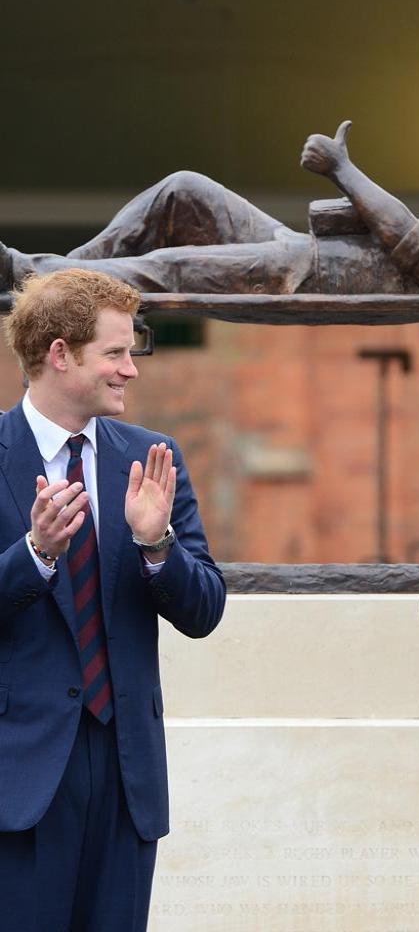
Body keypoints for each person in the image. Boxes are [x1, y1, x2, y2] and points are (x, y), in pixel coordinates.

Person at [0, 268, 226, 931]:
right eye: (116, 353)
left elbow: (205, 608)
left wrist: (157, 547)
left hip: (128, 780)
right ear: (60, 355)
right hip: (20, 778)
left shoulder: (153, 457)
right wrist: (36, 553)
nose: (131, 369)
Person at [0, 123, 419, 297]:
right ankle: (54, 277)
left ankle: (36, 277)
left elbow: (401, 232)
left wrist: (343, 168)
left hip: (300, 273)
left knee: (171, 266)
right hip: (298, 248)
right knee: (183, 188)